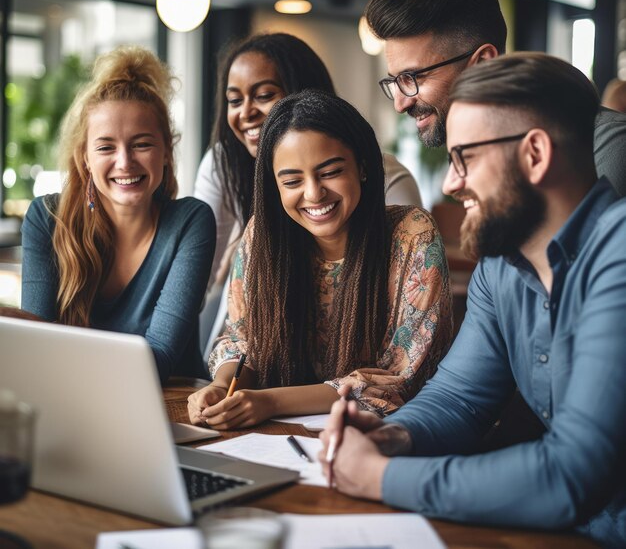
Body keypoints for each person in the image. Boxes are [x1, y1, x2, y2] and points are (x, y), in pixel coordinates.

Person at [319, 53, 626, 549]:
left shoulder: (620, 252)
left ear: (534, 154)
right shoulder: (499, 267)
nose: (449, 183)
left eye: (466, 158)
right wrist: (386, 438)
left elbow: (571, 473)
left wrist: (377, 478)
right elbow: (459, 399)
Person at [187, 89, 452, 429]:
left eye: (329, 172)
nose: (313, 194)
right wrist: (224, 387)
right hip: (274, 438)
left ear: (363, 167)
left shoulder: (412, 235)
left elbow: (397, 381)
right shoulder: (262, 236)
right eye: (293, 180)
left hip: (387, 439)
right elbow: (242, 339)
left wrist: (270, 401)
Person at [21, 46, 216, 384]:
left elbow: (159, 359)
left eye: (141, 144)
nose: (125, 162)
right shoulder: (46, 218)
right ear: (85, 158)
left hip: (175, 409)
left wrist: (55, 355)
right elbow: (34, 351)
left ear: (166, 152)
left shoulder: (190, 222)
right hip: (76, 405)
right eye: (106, 147)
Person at [194, 32, 422, 295]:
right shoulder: (224, 161)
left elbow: (406, 286)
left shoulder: (390, 181)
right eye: (234, 100)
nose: (245, 113)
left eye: (264, 95)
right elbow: (201, 269)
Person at [365, 0, 626, 198]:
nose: (400, 104)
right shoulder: (480, 151)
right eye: (395, 81)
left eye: (412, 77)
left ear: (483, 63)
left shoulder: (605, 146)